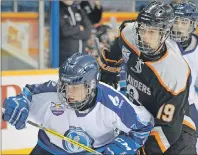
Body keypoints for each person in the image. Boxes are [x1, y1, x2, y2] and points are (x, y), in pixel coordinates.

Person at [97, 1, 197, 154]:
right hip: (138, 119)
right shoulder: (129, 33)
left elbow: (168, 128)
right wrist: (109, 73)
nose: (144, 36)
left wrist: (145, 152)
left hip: (176, 130)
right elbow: (116, 49)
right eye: (142, 29)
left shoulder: (175, 72)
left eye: (152, 32)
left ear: (164, 34)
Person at [2, 53, 154, 155]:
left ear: (92, 85)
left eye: (75, 87)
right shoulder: (51, 92)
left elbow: (143, 125)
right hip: (48, 150)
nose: (68, 93)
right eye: (65, 86)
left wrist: (120, 147)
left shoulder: (112, 102)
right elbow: (27, 95)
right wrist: (18, 104)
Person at [169, 1, 198, 151]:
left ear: (193, 24)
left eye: (184, 22)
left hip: (188, 106)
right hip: (160, 105)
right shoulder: (161, 43)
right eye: (176, 21)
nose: (179, 26)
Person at [59, 0, 92, 66]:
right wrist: (79, 28)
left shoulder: (78, 10)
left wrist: (73, 33)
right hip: (65, 58)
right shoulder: (58, 10)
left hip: (82, 57)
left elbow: (88, 32)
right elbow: (65, 31)